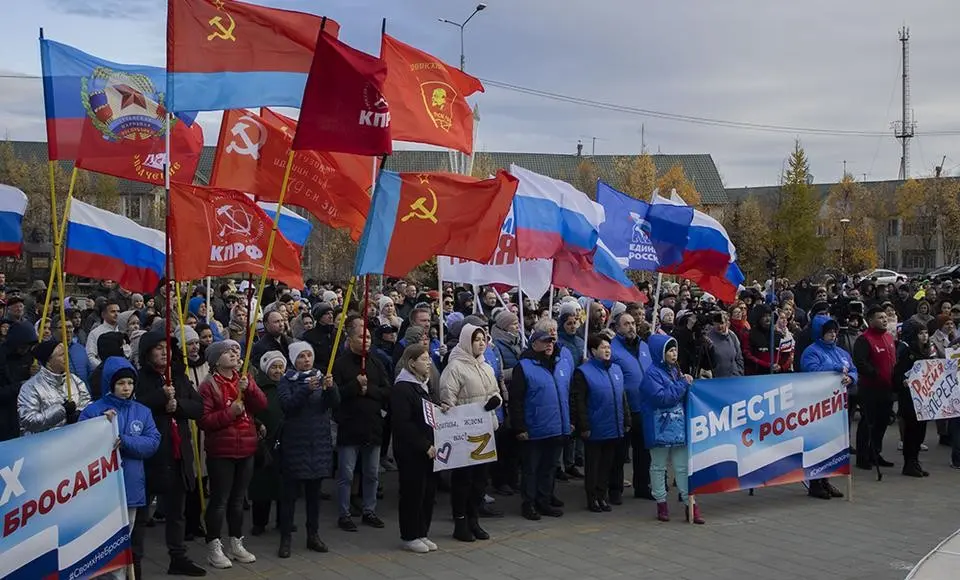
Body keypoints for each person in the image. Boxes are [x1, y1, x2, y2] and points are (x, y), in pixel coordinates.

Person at [79, 356, 161, 580]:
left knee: (126, 538)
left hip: (131, 487)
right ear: (110, 384)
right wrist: (101, 428)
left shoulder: (142, 411)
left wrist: (124, 440)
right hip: (102, 489)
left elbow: (152, 442)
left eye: (130, 383)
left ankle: (119, 576)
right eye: (121, 383)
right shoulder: (94, 411)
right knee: (104, 541)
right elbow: (81, 443)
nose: (126, 388)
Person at [135, 330, 207, 576]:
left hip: (178, 452)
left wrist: (179, 407)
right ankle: (134, 563)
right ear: (147, 353)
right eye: (158, 348)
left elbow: (198, 407)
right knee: (142, 514)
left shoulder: (178, 375)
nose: (164, 353)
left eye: (167, 348)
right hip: (152, 454)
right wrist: (160, 398)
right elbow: (135, 408)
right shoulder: (139, 378)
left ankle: (178, 557)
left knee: (177, 511)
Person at [198, 340, 267, 569]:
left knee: (238, 500)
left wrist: (251, 389)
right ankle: (213, 545)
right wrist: (229, 413)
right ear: (216, 360)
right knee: (220, 500)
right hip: (222, 450)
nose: (234, 355)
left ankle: (236, 542)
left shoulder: (242, 379)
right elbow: (204, 421)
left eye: (235, 351)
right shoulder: (208, 386)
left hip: (246, 447)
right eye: (227, 352)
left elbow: (261, 405)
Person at [439, 323, 502, 542]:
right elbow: (448, 398)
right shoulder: (455, 367)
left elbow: (494, 391)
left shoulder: (486, 366)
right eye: (476, 339)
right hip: (463, 433)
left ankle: (474, 519)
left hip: (484, 432)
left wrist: (496, 401)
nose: (481, 343)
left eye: (483, 339)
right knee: (463, 481)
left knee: (480, 480)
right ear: (467, 341)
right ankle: (460, 521)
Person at [276, 341, 339, 558]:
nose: (306, 360)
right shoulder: (287, 381)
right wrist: (305, 390)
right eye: (301, 356)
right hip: (295, 443)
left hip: (318, 443)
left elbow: (334, 403)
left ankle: (313, 535)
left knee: (314, 496)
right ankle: (285, 538)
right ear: (294, 360)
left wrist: (331, 389)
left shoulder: (322, 378)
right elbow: (287, 406)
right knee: (289, 496)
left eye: (308, 355)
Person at [639, 335, 703, 524]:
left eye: (675, 350)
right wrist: (683, 384)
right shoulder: (651, 374)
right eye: (670, 350)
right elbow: (663, 398)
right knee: (658, 467)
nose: (674, 354)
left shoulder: (676, 371)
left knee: (683, 468)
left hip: (678, 428)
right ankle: (661, 503)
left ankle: (690, 504)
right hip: (659, 428)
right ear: (660, 353)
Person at [509, 330, 573, 521]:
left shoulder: (560, 365)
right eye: (544, 341)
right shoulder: (524, 367)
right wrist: (520, 427)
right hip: (535, 427)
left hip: (557, 426)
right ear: (533, 344)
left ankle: (544, 500)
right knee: (532, 468)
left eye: (552, 341)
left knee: (550, 466)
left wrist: (569, 421)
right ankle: (529, 503)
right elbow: (516, 400)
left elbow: (566, 395)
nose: (549, 345)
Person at [332, 325, 390, 532]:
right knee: (346, 475)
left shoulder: (376, 362)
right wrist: (354, 386)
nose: (366, 340)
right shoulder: (340, 364)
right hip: (350, 426)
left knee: (372, 473)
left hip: (372, 426)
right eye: (361, 337)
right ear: (351, 339)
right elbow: (335, 396)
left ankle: (369, 510)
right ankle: (344, 513)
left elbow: (386, 390)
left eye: (368, 337)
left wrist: (368, 389)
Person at [798, 315, 858, 499]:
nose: (833, 335)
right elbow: (811, 372)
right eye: (829, 332)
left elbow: (854, 370)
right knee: (818, 444)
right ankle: (815, 483)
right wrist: (835, 368)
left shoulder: (842, 352)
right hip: (817, 406)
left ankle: (826, 479)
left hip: (837, 406)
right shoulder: (811, 352)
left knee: (832, 444)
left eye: (834, 332)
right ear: (820, 333)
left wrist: (851, 378)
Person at [571, 334, 631, 512]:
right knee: (594, 465)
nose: (607, 351)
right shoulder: (583, 372)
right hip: (595, 426)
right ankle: (592, 497)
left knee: (607, 464)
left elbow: (622, 397)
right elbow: (579, 401)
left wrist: (626, 418)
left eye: (609, 347)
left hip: (613, 425)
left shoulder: (616, 370)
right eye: (603, 347)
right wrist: (584, 425)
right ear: (593, 350)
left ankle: (602, 495)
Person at [391, 344, 441, 553]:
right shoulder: (403, 388)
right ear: (412, 363)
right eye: (423, 359)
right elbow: (403, 423)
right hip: (411, 450)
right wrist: (423, 445)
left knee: (427, 492)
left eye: (428, 358)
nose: (428, 362)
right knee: (413, 492)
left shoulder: (423, 385)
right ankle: (409, 534)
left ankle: (422, 531)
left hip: (429, 448)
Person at [609, 313, 653, 500]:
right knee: (619, 453)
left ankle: (642, 487)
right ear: (617, 327)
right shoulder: (612, 349)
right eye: (626, 324)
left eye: (633, 323)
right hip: (623, 408)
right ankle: (615, 489)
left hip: (644, 407)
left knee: (643, 452)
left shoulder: (644, 346)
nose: (631, 327)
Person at [853, 306, 897, 471]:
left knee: (882, 423)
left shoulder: (889, 337)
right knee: (868, 423)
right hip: (870, 389)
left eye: (885, 317)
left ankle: (875, 453)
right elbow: (860, 362)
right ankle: (862, 457)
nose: (884, 320)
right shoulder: (864, 339)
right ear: (871, 320)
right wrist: (875, 374)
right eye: (880, 317)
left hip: (888, 388)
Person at [18, 339, 91, 435]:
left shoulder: (73, 379)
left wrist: (79, 413)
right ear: (48, 361)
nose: (66, 357)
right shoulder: (30, 388)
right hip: (46, 443)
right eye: (61, 355)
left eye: (66, 353)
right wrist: (61, 411)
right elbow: (28, 421)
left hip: (75, 437)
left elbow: (87, 401)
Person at [249, 351, 286, 537]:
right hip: (264, 442)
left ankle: (283, 520)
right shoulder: (259, 388)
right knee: (262, 485)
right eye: (274, 367)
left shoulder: (288, 386)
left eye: (280, 367)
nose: (278, 371)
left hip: (285, 441)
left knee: (283, 484)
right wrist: (258, 424)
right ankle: (259, 522)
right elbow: (251, 412)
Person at [894, 319, 932, 477]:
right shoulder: (906, 350)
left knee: (920, 431)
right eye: (921, 333)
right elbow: (897, 373)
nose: (924, 336)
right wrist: (902, 380)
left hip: (923, 397)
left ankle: (915, 461)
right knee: (911, 431)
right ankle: (909, 463)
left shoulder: (927, 351)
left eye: (926, 333)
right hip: (909, 398)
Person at [0, 321, 38, 441]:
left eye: (28, 347)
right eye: (22, 346)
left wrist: (34, 375)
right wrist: (22, 385)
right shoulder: (2, 357)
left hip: (22, 413)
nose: (25, 350)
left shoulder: (29, 356)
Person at [743, 304, 783, 375]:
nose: (768, 319)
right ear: (758, 318)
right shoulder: (749, 335)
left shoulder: (777, 334)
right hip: (757, 375)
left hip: (777, 374)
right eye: (764, 316)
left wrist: (782, 366)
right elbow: (747, 355)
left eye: (769, 316)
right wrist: (767, 365)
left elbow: (786, 353)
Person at [705, 312, 744, 377]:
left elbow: (739, 357)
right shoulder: (708, 337)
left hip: (734, 376)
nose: (719, 326)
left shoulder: (732, 336)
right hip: (717, 378)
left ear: (726, 323)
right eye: (716, 323)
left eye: (722, 323)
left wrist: (740, 372)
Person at [86, 299, 121, 367]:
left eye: (118, 311)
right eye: (113, 311)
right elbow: (90, 357)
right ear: (103, 314)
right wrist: (105, 367)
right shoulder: (95, 333)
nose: (117, 314)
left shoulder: (122, 330)